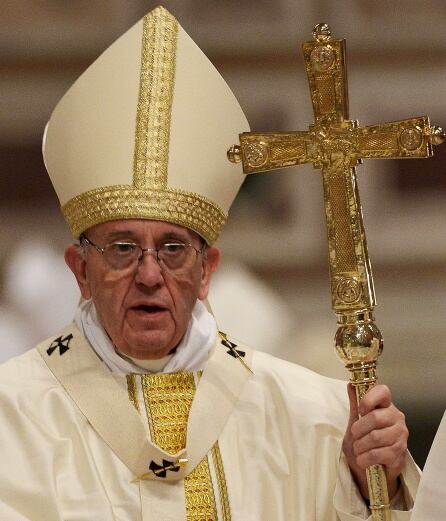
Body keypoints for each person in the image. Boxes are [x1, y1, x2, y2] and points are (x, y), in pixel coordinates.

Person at [0, 6, 419, 520]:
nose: (150, 275)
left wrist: (368, 483)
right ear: (80, 270)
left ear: (207, 271)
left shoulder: (315, 417)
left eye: (174, 249)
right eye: (123, 248)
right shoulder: (12, 415)